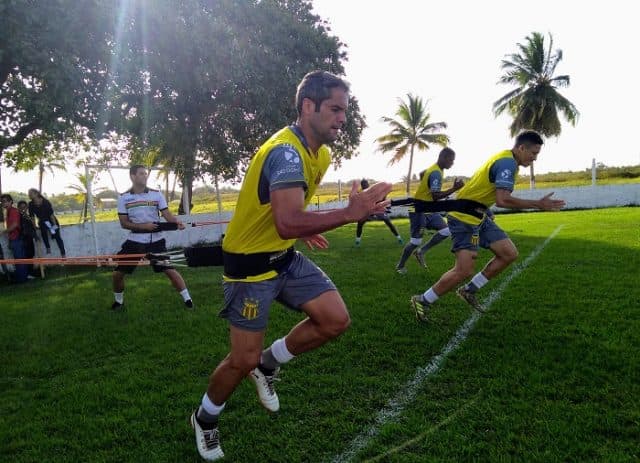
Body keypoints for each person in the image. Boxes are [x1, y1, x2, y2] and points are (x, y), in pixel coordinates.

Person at [189, 70, 391, 461]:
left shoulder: (323, 153)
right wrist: (347, 214)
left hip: (283, 256)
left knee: (334, 320)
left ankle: (268, 365)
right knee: (240, 359)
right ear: (307, 106)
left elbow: (283, 215)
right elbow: (286, 220)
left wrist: (299, 230)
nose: (342, 118)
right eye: (335, 109)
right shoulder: (285, 152)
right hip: (250, 269)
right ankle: (205, 418)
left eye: (344, 111)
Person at [410, 130, 565, 320]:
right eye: (533, 153)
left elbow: (483, 190)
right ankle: (422, 300)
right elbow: (503, 200)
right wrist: (538, 204)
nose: (534, 159)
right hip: (463, 218)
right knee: (464, 270)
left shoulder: (508, 160)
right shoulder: (507, 163)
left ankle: (469, 291)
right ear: (521, 148)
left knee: (509, 254)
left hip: (479, 216)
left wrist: (486, 210)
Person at [111, 165, 194, 310]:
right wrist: (144, 227)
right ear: (132, 176)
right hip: (134, 242)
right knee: (118, 274)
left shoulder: (156, 194)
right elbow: (124, 223)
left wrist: (176, 222)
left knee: (169, 269)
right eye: (141, 174)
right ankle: (119, 302)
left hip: (156, 241)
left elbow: (167, 214)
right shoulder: (124, 198)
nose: (145, 176)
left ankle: (188, 300)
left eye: (146, 174)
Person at [395, 147, 464, 274]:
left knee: (446, 230)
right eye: (451, 160)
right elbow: (435, 196)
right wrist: (454, 189)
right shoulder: (436, 172)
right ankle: (400, 266)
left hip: (429, 208)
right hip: (418, 209)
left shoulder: (436, 170)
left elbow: (423, 175)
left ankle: (421, 252)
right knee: (416, 241)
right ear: (443, 158)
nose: (452, 163)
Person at [355, 178, 403, 246]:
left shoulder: (374, 191)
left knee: (388, 222)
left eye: (366, 184)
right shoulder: (360, 194)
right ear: (362, 186)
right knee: (360, 223)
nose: (365, 186)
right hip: (367, 212)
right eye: (363, 184)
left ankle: (399, 238)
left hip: (378, 210)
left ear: (368, 185)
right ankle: (357, 241)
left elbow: (382, 199)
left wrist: (384, 195)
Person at [27, 188, 66, 258]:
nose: (29, 195)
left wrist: (54, 225)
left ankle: (63, 254)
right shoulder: (31, 204)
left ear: (36, 194)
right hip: (42, 222)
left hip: (51, 221)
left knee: (57, 236)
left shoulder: (45, 202)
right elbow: (32, 217)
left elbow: (51, 215)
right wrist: (34, 226)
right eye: (28, 193)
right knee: (43, 230)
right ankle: (48, 247)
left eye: (30, 193)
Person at [1, 194, 29, 283]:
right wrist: (9, 240)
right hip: (14, 239)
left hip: (17, 239)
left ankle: (22, 279)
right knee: (18, 259)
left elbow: (15, 225)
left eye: (5, 201)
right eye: (2, 202)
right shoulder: (8, 212)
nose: (3, 203)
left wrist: (3, 232)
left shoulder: (13, 211)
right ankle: (21, 278)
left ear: (11, 201)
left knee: (20, 260)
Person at [17, 200, 39, 277]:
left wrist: (35, 231)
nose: (23, 209)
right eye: (21, 207)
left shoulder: (27, 216)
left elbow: (32, 227)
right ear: (18, 208)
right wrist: (34, 235)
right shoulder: (20, 217)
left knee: (31, 255)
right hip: (24, 239)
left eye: (25, 207)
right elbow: (25, 229)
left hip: (29, 239)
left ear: (27, 208)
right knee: (27, 256)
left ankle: (31, 272)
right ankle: (28, 273)